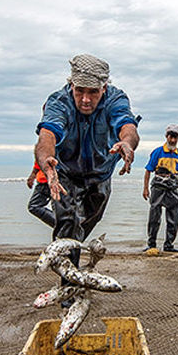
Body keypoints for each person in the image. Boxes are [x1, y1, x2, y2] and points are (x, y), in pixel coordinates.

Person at [35, 54, 140, 270]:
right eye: (79, 91)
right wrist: (46, 163)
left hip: (100, 174)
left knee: (86, 223)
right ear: (71, 85)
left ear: (104, 88)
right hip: (65, 173)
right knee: (68, 222)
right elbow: (48, 134)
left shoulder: (116, 99)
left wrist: (127, 143)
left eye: (93, 92)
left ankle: (71, 256)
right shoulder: (58, 101)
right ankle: (68, 280)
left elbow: (127, 125)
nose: (85, 99)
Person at [142, 124, 178, 252]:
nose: (172, 140)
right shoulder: (158, 152)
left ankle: (169, 245)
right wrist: (145, 188)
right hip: (158, 188)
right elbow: (148, 170)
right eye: (171, 137)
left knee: (175, 215)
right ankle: (151, 244)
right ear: (166, 136)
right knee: (154, 216)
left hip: (173, 188)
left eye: (175, 137)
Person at [25, 161, 55, 227]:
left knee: (34, 206)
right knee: (59, 209)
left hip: (47, 180)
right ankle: (65, 228)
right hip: (61, 179)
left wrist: (33, 174)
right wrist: (33, 174)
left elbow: (42, 157)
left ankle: (63, 227)